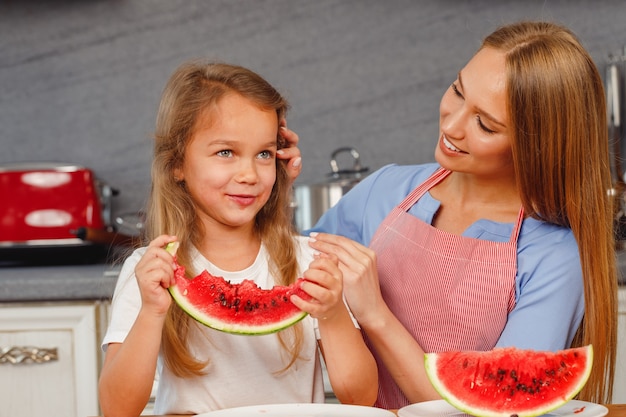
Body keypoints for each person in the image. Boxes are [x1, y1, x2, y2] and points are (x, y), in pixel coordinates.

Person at [286, 21, 618, 408]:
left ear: (536, 145)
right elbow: (280, 271)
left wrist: (374, 313)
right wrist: (266, 179)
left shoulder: (554, 254)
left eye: (485, 124)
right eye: (458, 91)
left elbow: (494, 408)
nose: (452, 124)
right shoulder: (386, 188)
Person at [98, 61, 377, 416]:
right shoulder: (152, 271)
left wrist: (334, 314)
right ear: (176, 164)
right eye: (226, 152)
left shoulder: (311, 264)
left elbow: (362, 397)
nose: (248, 174)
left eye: (263, 153)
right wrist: (152, 312)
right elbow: (116, 408)